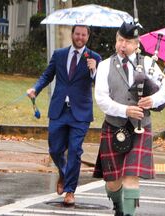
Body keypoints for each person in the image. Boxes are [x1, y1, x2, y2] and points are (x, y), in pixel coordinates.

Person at [93, 22, 165, 216]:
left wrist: (152, 100)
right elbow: (101, 99)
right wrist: (125, 110)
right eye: (120, 40)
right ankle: (119, 208)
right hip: (114, 126)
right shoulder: (104, 66)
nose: (122, 45)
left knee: (131, 177)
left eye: (127, 42)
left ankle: (128, 214)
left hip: (140, 128)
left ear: (137, 44)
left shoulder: (147, 64)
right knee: (112, 183)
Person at [26, 25, 101, 205]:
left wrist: (94, 70)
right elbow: (47, 75)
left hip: (80, 113)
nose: (80, 37)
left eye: (83, 35)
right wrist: (35, 88)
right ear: (72, 34)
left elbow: (101, 85)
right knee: (55, 149)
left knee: (75, 151)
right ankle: (64, 173)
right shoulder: (59, 54)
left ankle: (70, 190)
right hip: (59, 110)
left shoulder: (95, 58)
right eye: (77, 34)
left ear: (87, 37)